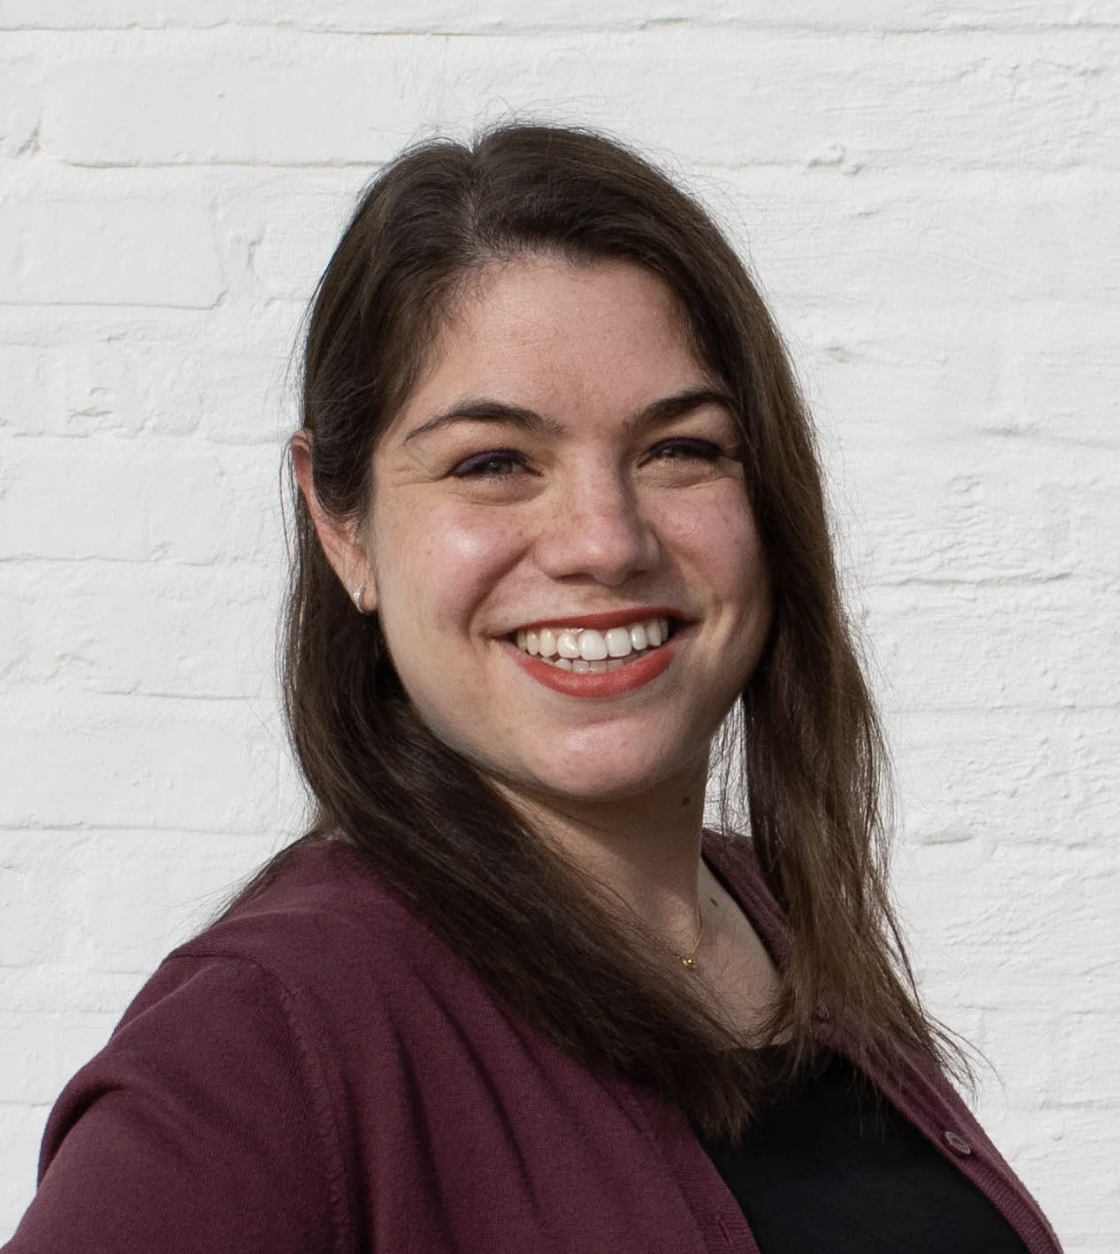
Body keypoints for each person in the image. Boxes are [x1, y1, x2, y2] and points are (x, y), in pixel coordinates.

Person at [3, 123, 1063, 1254]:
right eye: (493, 463)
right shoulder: (266, 1041)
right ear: (341, 524)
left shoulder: (780, 931)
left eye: (680, 450)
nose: (605, 542)